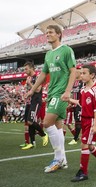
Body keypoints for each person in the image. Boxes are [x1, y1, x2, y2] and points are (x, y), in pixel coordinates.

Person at [25, 24, 77, 173]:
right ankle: (64, 160)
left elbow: (73, 71)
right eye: (46, 33)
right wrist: (32, 90)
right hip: (52, 93)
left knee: (47, 123)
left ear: (59, 34)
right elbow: (42, 75)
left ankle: (58, 158)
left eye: (50, 32)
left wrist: (68, 91)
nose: (47, 34)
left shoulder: (66, 50)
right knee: (59, 127)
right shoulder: (48, 54)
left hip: (61, 93)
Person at [69, 64, 96, 182]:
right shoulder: (82, 90)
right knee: (90, 146)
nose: (81, 75)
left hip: (91, 120)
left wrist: (95, 124)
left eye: (84, 73)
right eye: (81, 73)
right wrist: (68, 99)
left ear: (92, 75)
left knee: (84, 144)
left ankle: (83, 172)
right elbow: (81, 103)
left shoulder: (95, 90)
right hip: (84, 120)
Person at [21, 61, 49, 150]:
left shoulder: (37, 77)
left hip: (36, 101)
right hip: (30, 102)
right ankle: (32, 143)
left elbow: (37, 90)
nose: (25, 71)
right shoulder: (29, 77)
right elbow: (30, 91)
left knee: (30, 121)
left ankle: (44, 134)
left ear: (32, 68)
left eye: (26, 69)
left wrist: (29, 83)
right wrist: (26, 95)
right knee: (29, 122)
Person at [67, 69, 83, 145]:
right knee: (77, 121)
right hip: (74, 104)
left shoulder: (82, 82)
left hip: (80, 104)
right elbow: (72, 93)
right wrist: (70, 103)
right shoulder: (74, 82)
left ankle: (75, 138)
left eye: (76, 72)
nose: (75, 73)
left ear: (80, 73)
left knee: (78, 122)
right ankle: (79, 137)